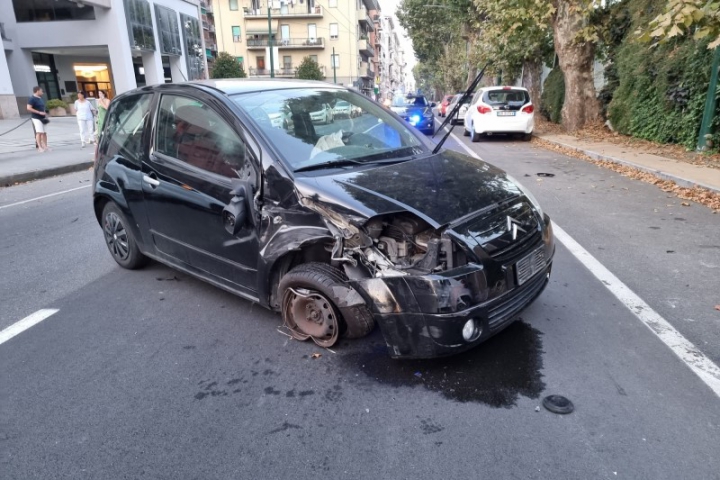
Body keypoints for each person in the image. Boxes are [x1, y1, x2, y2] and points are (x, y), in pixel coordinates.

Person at [27, 86, 49, 152]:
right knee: (39, 132)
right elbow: (28, 108)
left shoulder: (40, 98)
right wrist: (39, 112)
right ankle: (39, 147)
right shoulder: (32, 99)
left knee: (44, 133)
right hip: (36, 117)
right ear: (37, 91)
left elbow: (42, 107)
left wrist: (44, 113)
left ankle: (45, 146)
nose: (42, 92)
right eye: (41, 91)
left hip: (43, 117)